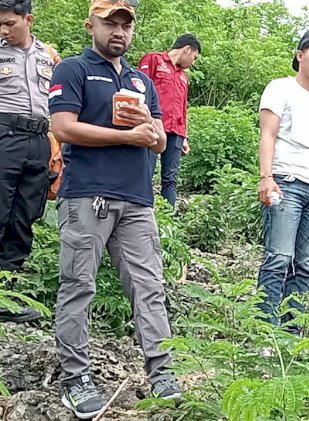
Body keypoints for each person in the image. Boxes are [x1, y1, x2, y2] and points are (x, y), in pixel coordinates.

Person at [48, 0, 182, 417]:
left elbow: (159, 140)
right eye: (111, 24)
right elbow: (63, 127)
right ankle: (76, 378)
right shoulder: (72, 69)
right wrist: (124, 136)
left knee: (149, 288)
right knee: (79, 285)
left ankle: (162, 373)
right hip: (88, 193)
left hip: (137, 199)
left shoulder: (143, 80)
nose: (119, 32)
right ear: (92, 26)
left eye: (126, 24)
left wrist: (147, 124)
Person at [256, 29, 309, 333]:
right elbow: (268, 133)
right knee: (279, 257)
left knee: (305, 264)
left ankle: (289, 333)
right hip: (286, 181)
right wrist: (267, 177)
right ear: (300, 54)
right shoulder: (280, 88)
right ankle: (264, 330)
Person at [0, 0, 56, 323]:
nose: (4, 30)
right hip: (5, 136)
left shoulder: (48, 55)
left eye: (9, 23)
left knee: (24, 217)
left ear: (28, 19)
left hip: (39, 141)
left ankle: (6, 296)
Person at [138, 34, 200, 208]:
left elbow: (183, 107)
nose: (193, 62)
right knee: (145, 172)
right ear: (187, 49)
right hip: (153, 126)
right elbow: (139, 89)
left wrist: (185, 136)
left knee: (170, 178)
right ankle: (142, 213)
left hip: (176, 131)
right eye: (194, 57)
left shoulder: (183, 77)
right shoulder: (153, 60)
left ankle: (169, 220)